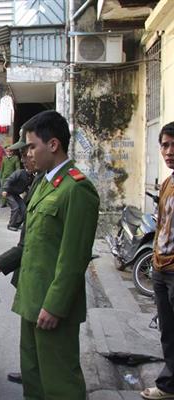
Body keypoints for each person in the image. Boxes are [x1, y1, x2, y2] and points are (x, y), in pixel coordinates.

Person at [11, 110, 99, 400]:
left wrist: (55, 306)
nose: (29, 154)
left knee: (60, 383)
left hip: (52, 306)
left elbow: (74, 258)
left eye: (32, 146)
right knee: (34, 380)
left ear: (53, 145)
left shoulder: (76, 189)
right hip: (31, 299)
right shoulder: (43, 183)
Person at [0, 137, 42, 384]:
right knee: (30, 340)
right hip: (29, 277)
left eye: (29, 151)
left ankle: (42, 381)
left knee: (53, 355)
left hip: (45, 280)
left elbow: (71, 254)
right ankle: (31, 376)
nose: (25, 158)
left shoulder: (71, 187)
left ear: (53, 145)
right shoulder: (38, 181)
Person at [141, 122, 174, 400]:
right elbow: (162, 224)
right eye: (165, 145)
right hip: (161, 267)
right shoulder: (167, 183)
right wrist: (155, 259)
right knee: (168, 332)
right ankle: (169, 386)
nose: (169, 151)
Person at [2, 149, 34, 231]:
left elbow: (28, 187)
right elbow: (9, 180)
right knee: (15, 207)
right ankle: (11, 224)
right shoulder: (19, 173)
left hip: (16, 194)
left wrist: (28, 193)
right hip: (9, 192)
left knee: (23, 208)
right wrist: (5, 190)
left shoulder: (31, 177)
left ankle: (17, 224)